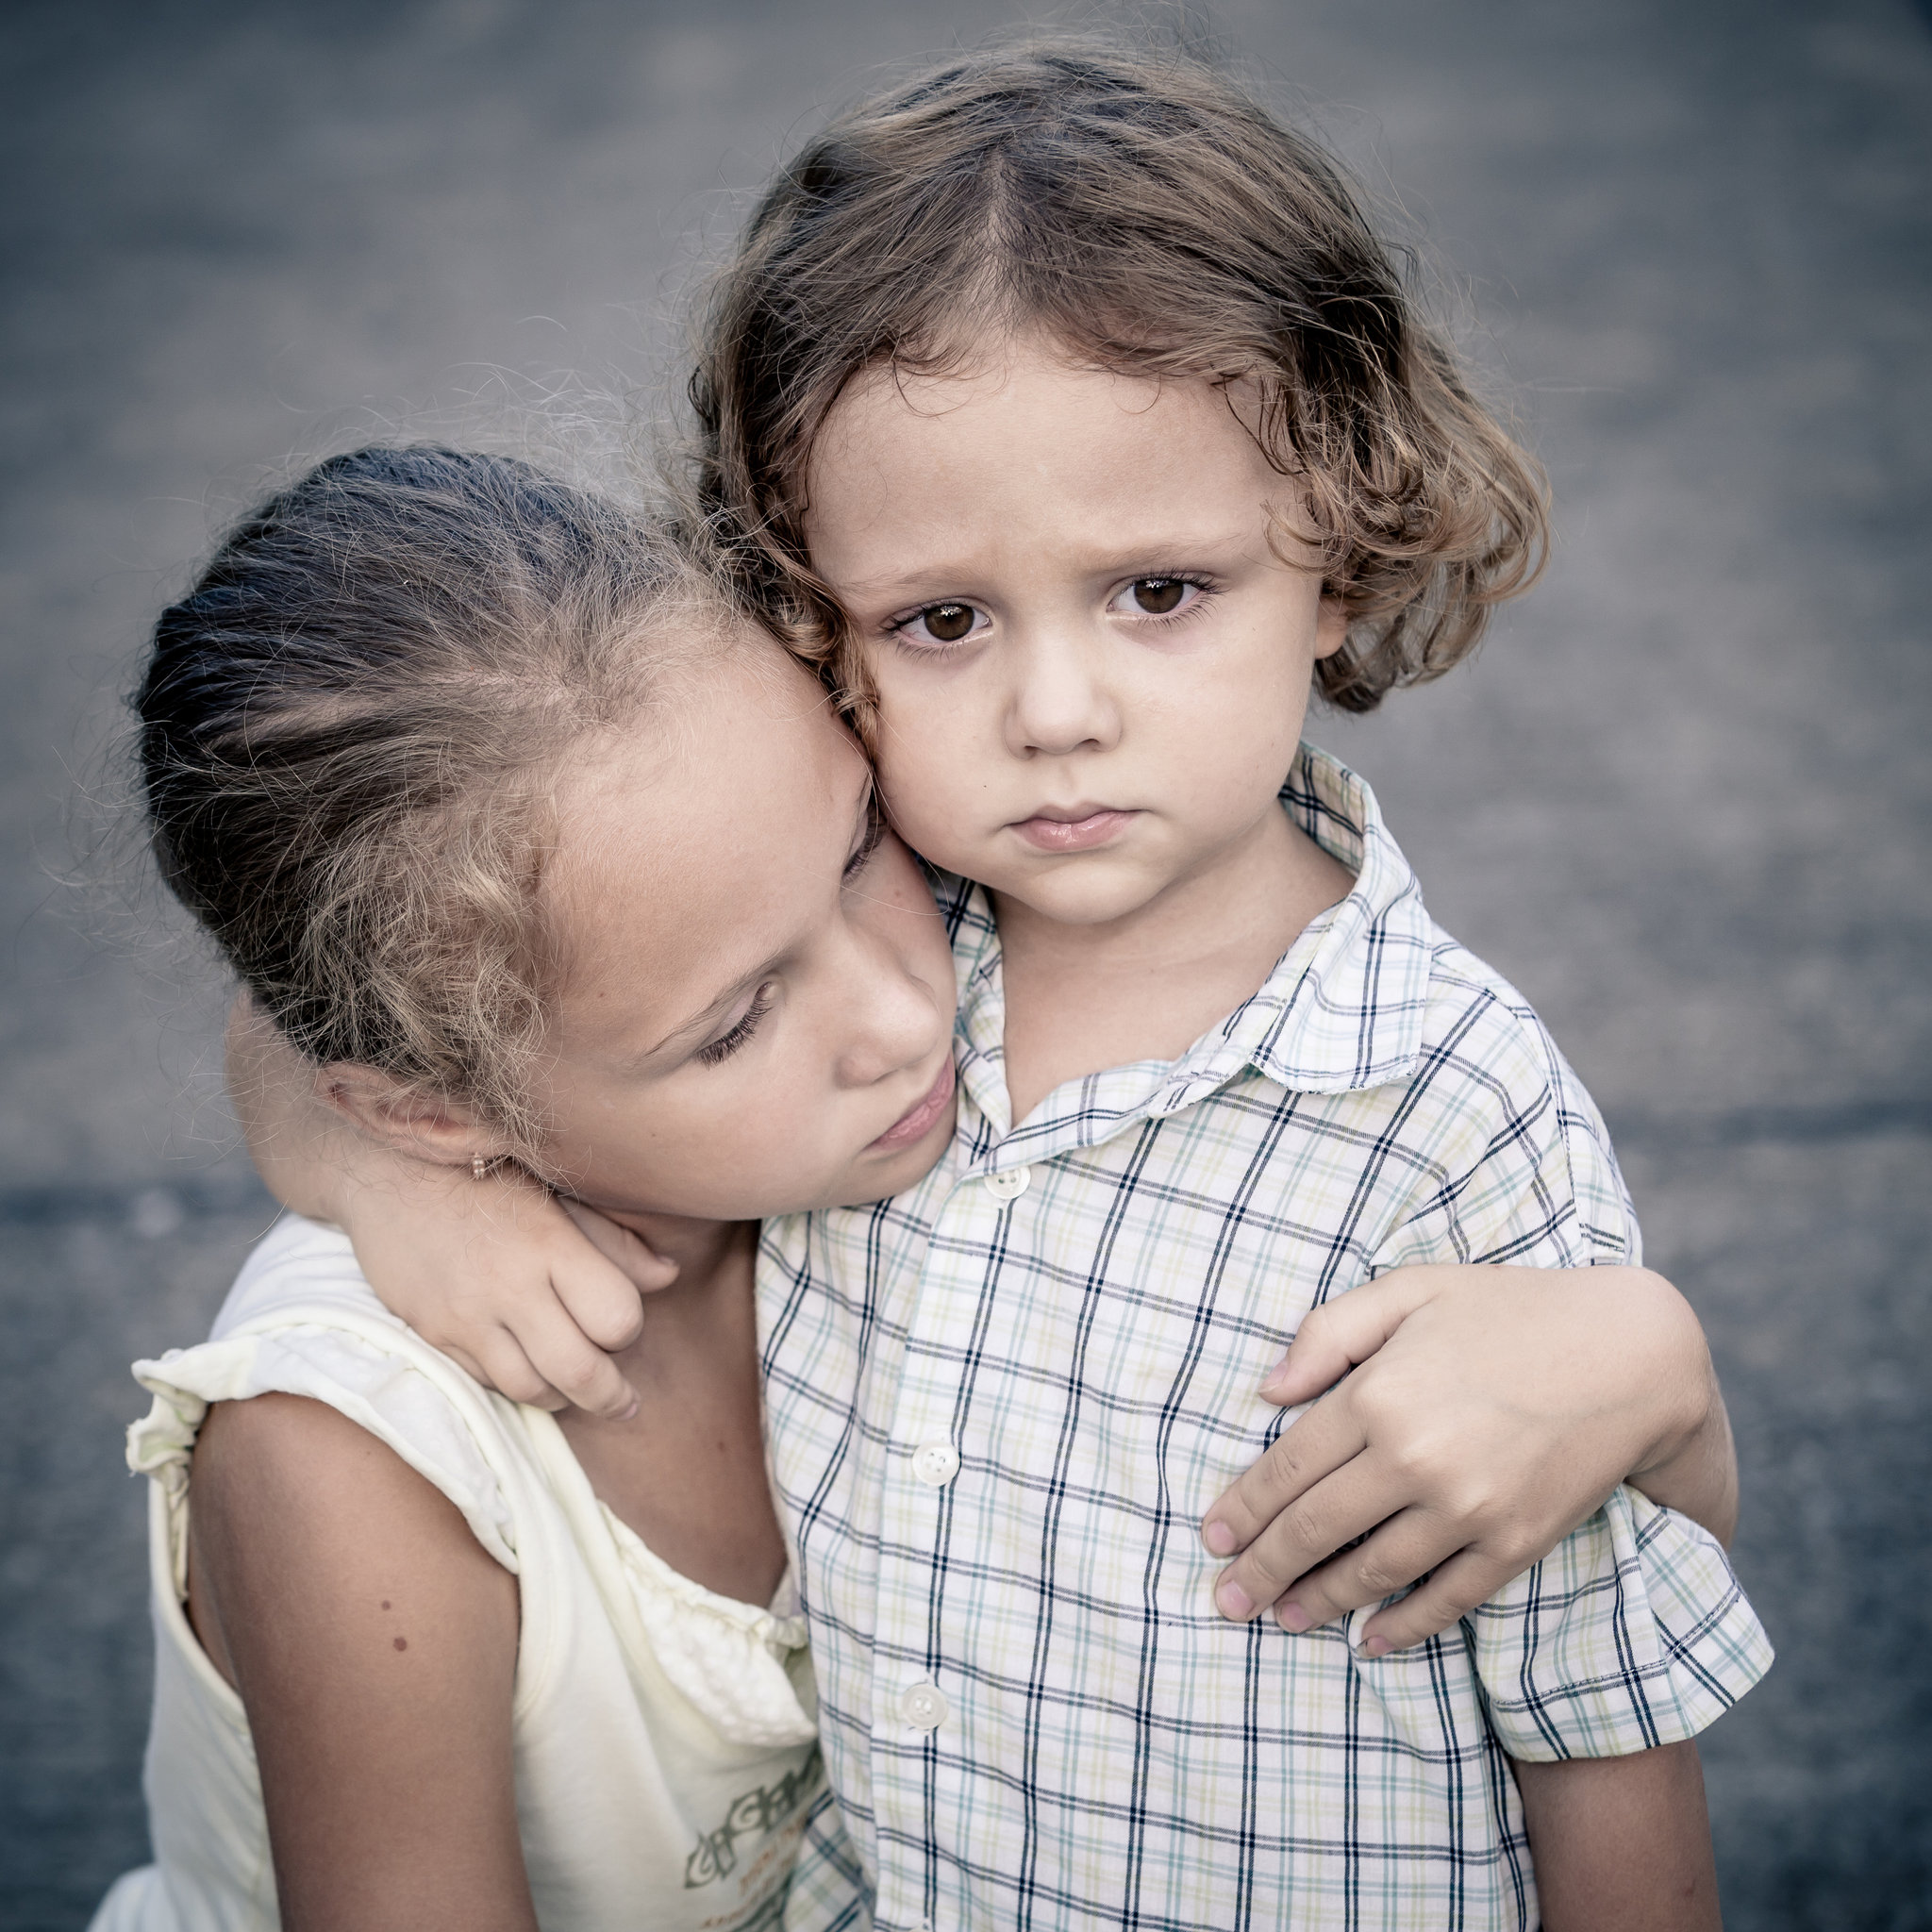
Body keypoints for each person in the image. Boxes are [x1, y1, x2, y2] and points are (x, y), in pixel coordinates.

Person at [234, 37, 1769, 1932]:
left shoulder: (1441, 1102)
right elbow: (392, 977)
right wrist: (370, 1163)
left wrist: (1647, 1366)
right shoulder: (863, 968)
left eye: (1160, 591)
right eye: (944, 620)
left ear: (1345, 553)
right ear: (821, 625)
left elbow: (1607, 1702)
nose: (1053, 713)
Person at [92, 446, 969, 1932]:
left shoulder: (853, 1056)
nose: (903, 1014)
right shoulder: (359, 1465)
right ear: (433, 1112)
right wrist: (360, 1157)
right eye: (737, 1024)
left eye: (861, 847)